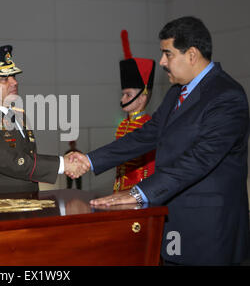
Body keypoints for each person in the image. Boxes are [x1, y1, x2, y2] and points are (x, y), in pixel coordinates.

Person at [67, 16, 249, 265]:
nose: (162, 61)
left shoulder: (226, 96)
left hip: (208, 232)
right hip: (172, 223)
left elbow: (200, 159)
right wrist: (90, 159)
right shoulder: (177, 92)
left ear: (192, 55)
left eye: (168, 54)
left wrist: (140, 193)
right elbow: (146, 135)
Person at [0, 45, 78, 196]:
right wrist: (63, 164)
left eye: (14, 76)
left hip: (26, 207)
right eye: (4, 79)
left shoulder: (18, 115)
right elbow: (13, 162)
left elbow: (28, 157)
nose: (14, 82)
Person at [112, 30, 156, 192]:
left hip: (138, 190)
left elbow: (151, 166)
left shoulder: (149, 125)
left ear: (142, 97)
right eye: (123, 94)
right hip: (119, 189)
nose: (123, 99)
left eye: (128, 94)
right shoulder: (123, 124)